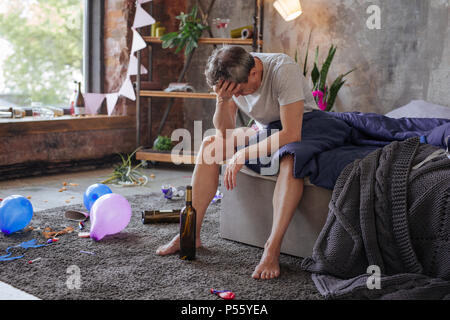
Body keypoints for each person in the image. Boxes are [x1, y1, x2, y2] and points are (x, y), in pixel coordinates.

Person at [156, 46, 319, 280]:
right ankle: (190, 234)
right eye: (233, 93)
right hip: (264, 129)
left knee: (290, 159)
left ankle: (272, 249)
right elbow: (225, 132)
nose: (239, 96)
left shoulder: (283, 69)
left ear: (254, 72)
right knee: (211, 145)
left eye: (240, 91)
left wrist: (243, 154)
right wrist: (222, 100)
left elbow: (291, 133)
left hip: (305, 126)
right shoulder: (232, 82)